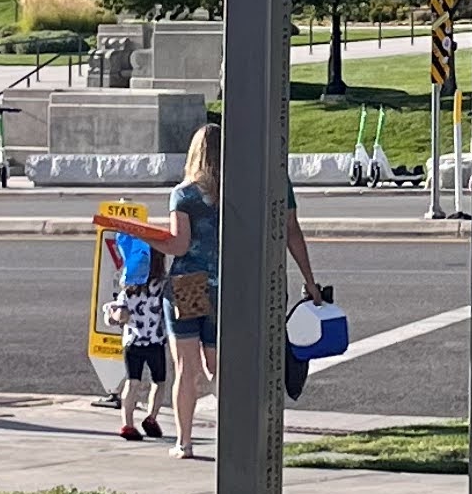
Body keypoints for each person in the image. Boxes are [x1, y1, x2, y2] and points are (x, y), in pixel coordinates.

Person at [147, 117, 329, 461]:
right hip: (224, 285)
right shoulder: (239, 191)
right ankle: (231, 437)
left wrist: (146, 235)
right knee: (221, 367)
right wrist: (309, 280)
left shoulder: (183, 194)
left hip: (187, 284)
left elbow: (180, 245)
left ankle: (184, 442)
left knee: (185, 368)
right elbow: (290, 230)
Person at [114, 228, 169, 440]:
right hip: (155, 341)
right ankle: (151, 417)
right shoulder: (161, 287)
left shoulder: (128, 289)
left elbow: (120, 316)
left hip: (133, 341)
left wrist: (114, 313)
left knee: (132, 382)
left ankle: (127, 423)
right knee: (159, 381)